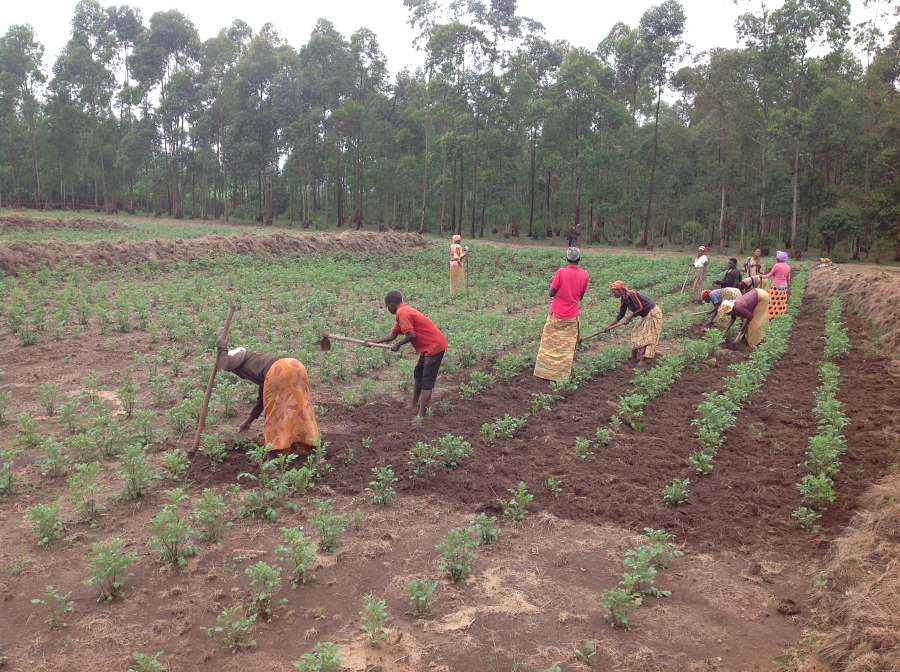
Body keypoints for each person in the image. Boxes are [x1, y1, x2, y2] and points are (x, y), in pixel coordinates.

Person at [215, 340, 319, 457]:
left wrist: (221, 348)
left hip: (279, 370)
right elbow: (262, 399)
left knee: (274, 414)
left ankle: (272, 457)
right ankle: (312, 447)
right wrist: (248, 421)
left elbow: (226, 364)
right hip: (297, 366)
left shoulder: (241, 355)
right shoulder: (260, 364)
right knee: (302, 409)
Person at [366, 291, 448, 418]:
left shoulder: (403, 313)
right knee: (418, 374)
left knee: (427, 380)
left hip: (434, 346)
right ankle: (413, 405)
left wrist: (398, 345)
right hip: (428, 347)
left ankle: (421, 415)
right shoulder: (403, 312)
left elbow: (411, 335)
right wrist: (373, 341)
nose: (387, 309)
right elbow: (393, 335)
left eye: (387, 306)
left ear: (392, 304)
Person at [534, 247, 590, 381]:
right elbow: (580, 297)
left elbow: (551, 294)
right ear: (579, 259)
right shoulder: (584, 275)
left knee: (549, 344)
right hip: (572, 316)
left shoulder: (560, 272)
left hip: (557, 314)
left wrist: (553, 282)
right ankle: (561, 375)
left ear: (567, 259)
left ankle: (545, 372)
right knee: (567, 347)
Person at [603, 280, 663, 367]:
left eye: (614, 292)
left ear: (620, 290)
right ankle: (635, 357)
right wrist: (609, 326)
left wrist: (629, 318)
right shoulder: (624, 298)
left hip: (653, 313)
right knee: (636, 333)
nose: (614, 294)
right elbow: (621, 314)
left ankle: (643, 359)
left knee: (646, 336)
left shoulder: (630, 294)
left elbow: (639, 308)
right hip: (645, 315)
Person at [759, 250, 792, 319]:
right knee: (781, 301)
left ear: (778, 259)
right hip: (784, 287)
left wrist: (762, 276)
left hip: (776, 286)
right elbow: (788, 278)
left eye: (776, 257)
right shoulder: (788, 267)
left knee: (772, 300)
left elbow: (769, 275)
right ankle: (780, 315)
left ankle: (770, 315)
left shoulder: (777, 266)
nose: (776, 258)